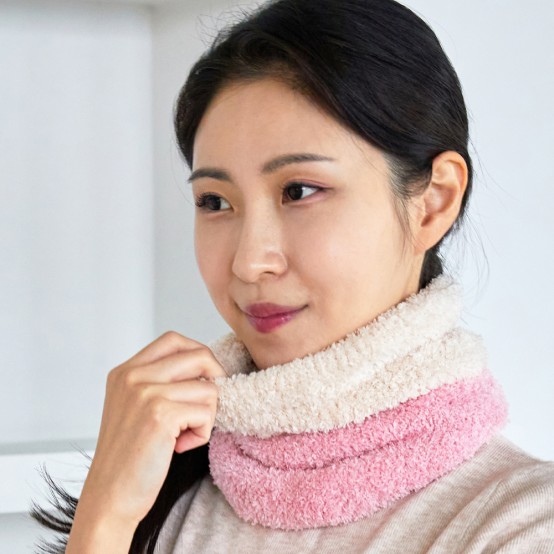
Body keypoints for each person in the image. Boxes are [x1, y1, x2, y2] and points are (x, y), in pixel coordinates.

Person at [32, 0, 554, 552]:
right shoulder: (155, 487)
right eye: (214, 201)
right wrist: (105, 516)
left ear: (434, 202)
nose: (248, 261)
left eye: (299, 191)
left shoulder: (520, 526)